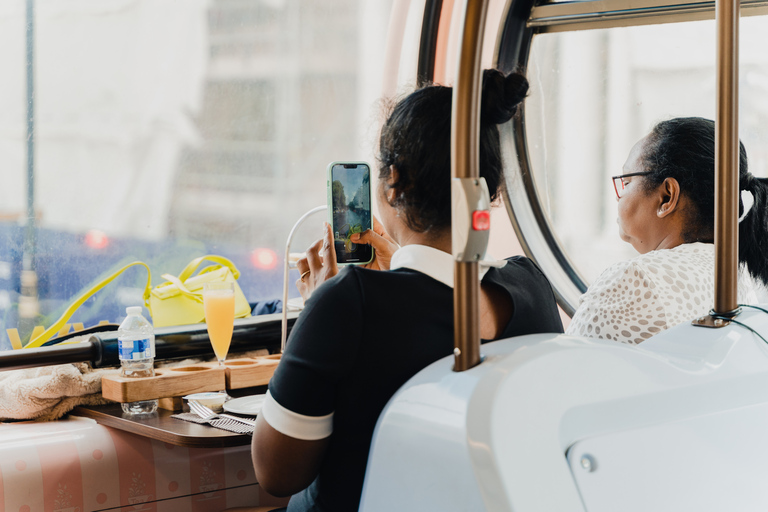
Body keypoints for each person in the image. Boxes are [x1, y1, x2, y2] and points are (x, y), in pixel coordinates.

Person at [251, 69, 564, 512]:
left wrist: (318, 308)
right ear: (489, 190)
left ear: (391, 181)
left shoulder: (349, 302)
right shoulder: (531, 285)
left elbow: (277, 474)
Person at [567, 117, 767, 344]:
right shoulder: (735, 276)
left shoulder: (636, 279)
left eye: (627, 181)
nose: (619, 195)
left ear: (667, 197)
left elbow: (569, 366)